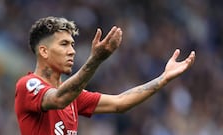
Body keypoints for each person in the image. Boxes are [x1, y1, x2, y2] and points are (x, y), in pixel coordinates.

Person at [14, 16, 195, 135]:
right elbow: (59, 99)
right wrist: (96, 60)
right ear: (44, 51)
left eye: (72, 45)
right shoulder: (28, 85)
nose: (72, 51)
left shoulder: (73, 97)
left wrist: (163, 78)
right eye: (64, 44)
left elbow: (120, 103)